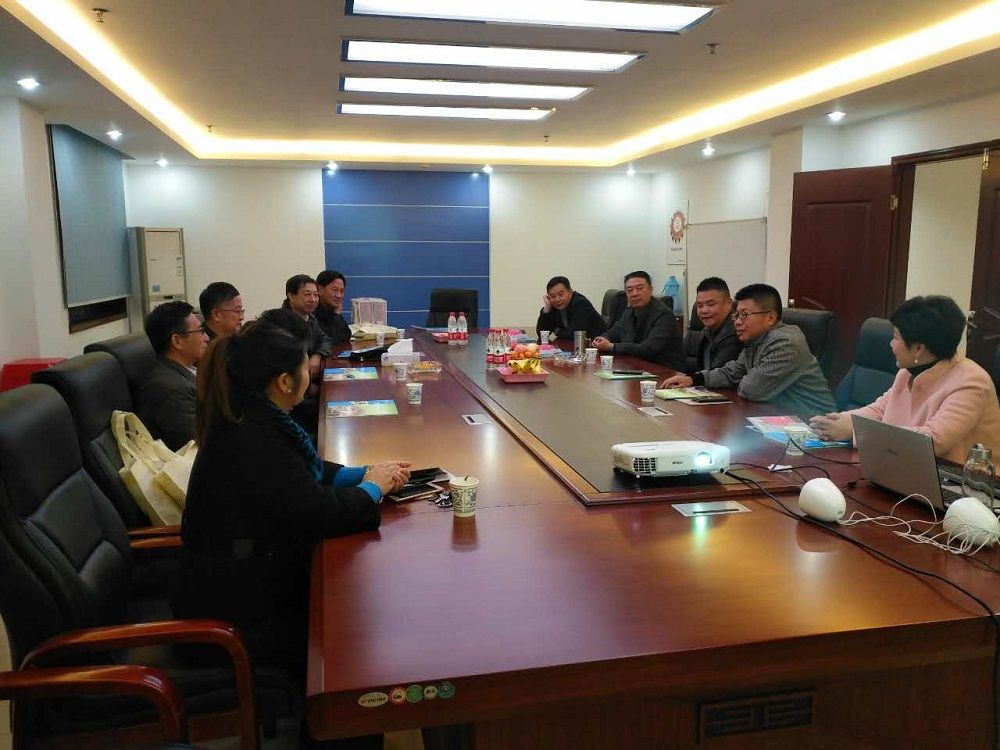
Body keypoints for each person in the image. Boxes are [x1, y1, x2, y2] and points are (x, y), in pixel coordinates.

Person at [171, 312, 410, 691]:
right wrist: (373, 490)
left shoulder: (254, 417)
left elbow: (301, 475)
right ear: (284, 381)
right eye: (304, 366)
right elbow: (316, 513)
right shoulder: (255, 438)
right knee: (361, 634)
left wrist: (364, 473)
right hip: (237, 615)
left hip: (241, 581)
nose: (310, 373)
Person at [810, 295, 1000, 463]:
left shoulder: (972, 383)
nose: (891, 344)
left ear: (918, 349)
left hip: (964, 482)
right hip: (909, 468)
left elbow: (932, 441)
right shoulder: (909, 372)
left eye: (896, 338)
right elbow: (880, 410)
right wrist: (840, 421)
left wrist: (855, 432)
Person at [661, 283, 835, 415]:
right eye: (736, 315)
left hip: (814, 427)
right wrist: (693, 379)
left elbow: (751, 390)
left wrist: (742, 379)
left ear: (770, 318)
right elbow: (731, 373)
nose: (737, 322)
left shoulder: (785, 343)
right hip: (776, 417)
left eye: (745, 315)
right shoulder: (756, 340)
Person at [136, 300, 207, 450]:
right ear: (177, 341)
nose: (206, 337)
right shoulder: (172, 389)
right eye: (200, 331)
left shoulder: (185, 370)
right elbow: (201, 444)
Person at [592, 271, 684, 370]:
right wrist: (603, 339)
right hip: (635, 367)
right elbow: (615, 332)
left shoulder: (664, 315)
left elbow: (648, 349)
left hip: (664, 370)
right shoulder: (629, 311)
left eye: (639, 289)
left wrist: (611, 346)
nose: (634, 294)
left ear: (650, 290)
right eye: (630, 290)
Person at [282, 274, 332, 384]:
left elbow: (325, 340)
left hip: (309, 378)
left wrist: (317, 355)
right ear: (291, 296)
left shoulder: (310, 318)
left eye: (316, 295)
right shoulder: (282, 321)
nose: (313, 299)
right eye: (307, 294)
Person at [686, 277, 742, 373]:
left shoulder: (736, 333)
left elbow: (720, 375)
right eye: (700, 306)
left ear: (729, 303)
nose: (704, 310)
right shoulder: (707, 331)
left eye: (711, 304)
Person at [535, 275, 605, 341]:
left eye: (561, 294)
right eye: (552, 296)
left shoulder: (581, 303)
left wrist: (557, 331)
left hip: (597, 345)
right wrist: (546, 310)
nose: (557, 299)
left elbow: (573, 336)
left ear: (570, 292)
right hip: (574, 347)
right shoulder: (553, 307)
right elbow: (542, 335)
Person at [315, 269, 352, 348]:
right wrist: (336, 315)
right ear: (320, 290)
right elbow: (329, 340)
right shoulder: (312, 311)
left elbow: (346, 335)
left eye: (342, 291)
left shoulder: (333, 309)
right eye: (334, 290)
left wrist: (336, 315)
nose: (339, 295)